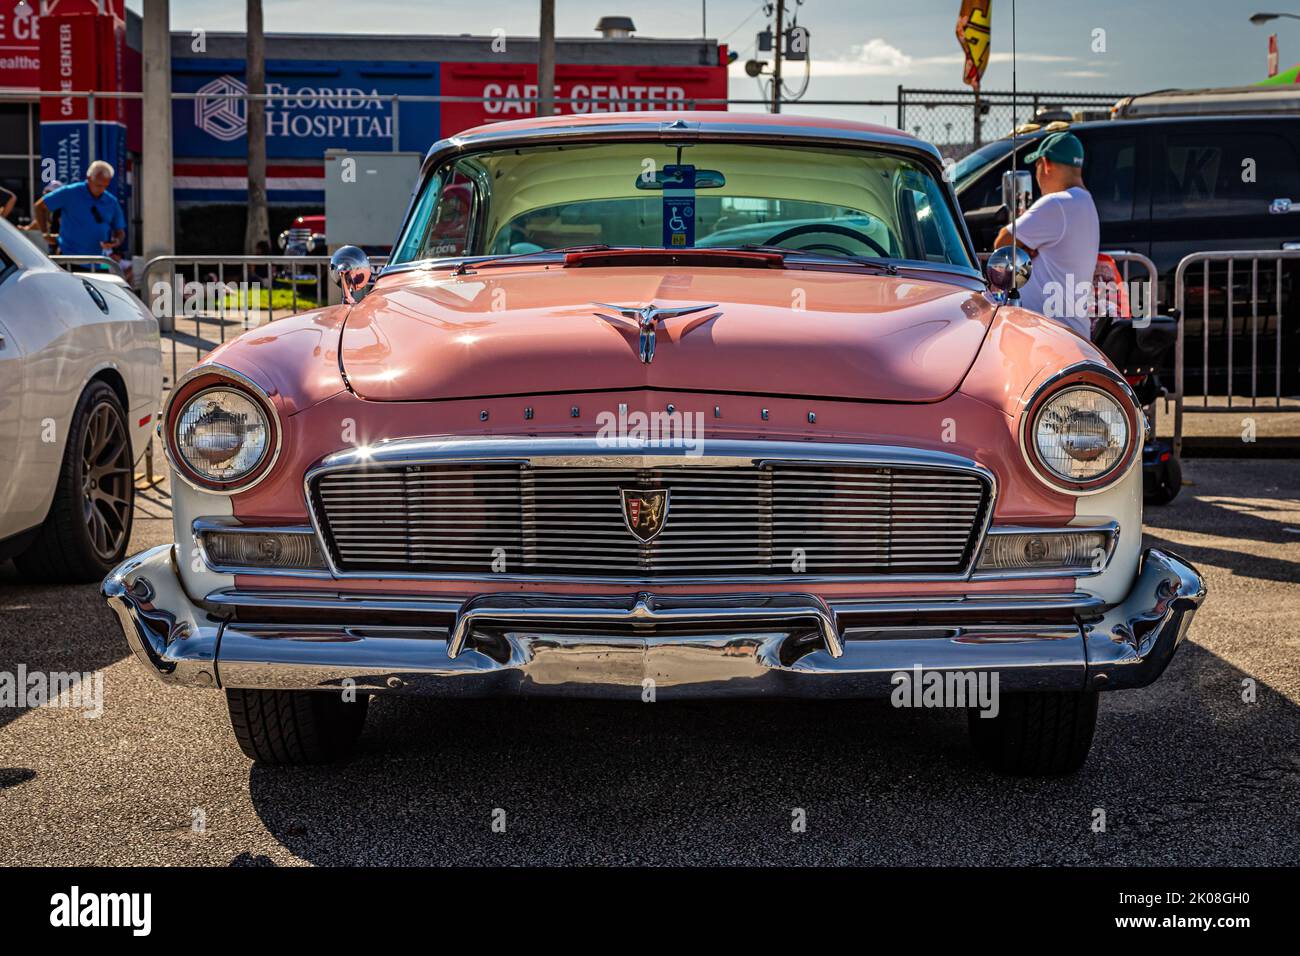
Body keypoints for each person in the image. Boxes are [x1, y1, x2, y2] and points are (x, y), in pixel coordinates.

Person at [993, 131, 1099, 339]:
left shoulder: (1057, 203)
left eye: (1037, 167)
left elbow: (1003, 242)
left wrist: (1024, 248)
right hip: (1071, 332)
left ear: (1046, 164)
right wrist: (1027, 247)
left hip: (1048, 334)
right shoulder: (1086, 202)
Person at [32, 161, 126, 256]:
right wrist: (44, 233)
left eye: (105, 186)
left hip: (99, 260)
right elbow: (39, 207)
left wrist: (116, 241)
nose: (101, 189)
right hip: (68, 258)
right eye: (98, 185)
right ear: (89, 178)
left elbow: (120, 232)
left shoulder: (111, 201)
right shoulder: (70, 192)